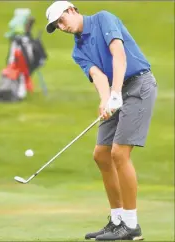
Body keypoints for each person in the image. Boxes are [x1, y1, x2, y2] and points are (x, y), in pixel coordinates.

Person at [45, 1, 157, 241]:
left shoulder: (103, 19)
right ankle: (116, 220)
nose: (61, 27)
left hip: (139, 85)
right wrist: (106, 100)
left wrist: (116, 92)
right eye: (56, 26)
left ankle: (131, 225)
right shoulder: (78, 50)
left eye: (61, 20)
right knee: (101, 154)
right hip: (117, 91)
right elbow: (98, 76)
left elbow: (119, 54)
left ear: (72, 10)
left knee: (119, 153)